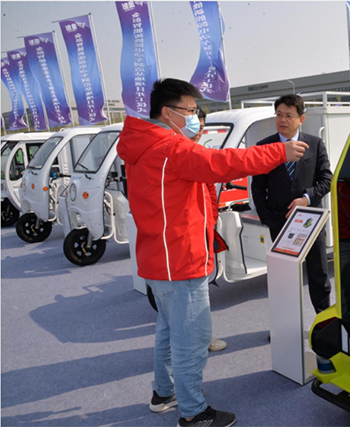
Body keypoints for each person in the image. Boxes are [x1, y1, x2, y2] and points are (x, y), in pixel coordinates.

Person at [117, 79, 307, 427]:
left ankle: (164, 393)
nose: (194, 116)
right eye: (190, 110)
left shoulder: (144, 145)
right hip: (180, 259)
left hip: (161, 256)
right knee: (192, 339)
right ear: (167, 113)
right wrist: (279, 153)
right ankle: (193, 413)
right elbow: (223, 162)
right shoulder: (171, 148)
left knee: (169, 331)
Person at [251, 94, 333, 314]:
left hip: (310, 220)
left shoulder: (314, 143)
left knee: (318, 274)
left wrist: (306, 198)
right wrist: (267, 218)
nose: (282, 120)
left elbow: (327, 179)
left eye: (288, 115)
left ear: (301, 119)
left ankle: (324, 321)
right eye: (279, 114)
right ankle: (286, 325)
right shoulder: (264, 146)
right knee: (284, 277)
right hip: (279, 221)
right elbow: (257, 188)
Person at [191, 109, 227, 353]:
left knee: (199, 291)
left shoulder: (197, 153)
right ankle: (201, 341)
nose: (199, 132)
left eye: (202, 127)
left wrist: (211, 220)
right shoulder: (182, 154)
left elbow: (210, 193)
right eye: (196, 126)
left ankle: (201, 338)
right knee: (195, 295)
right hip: (189, 239)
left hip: (202, 232)